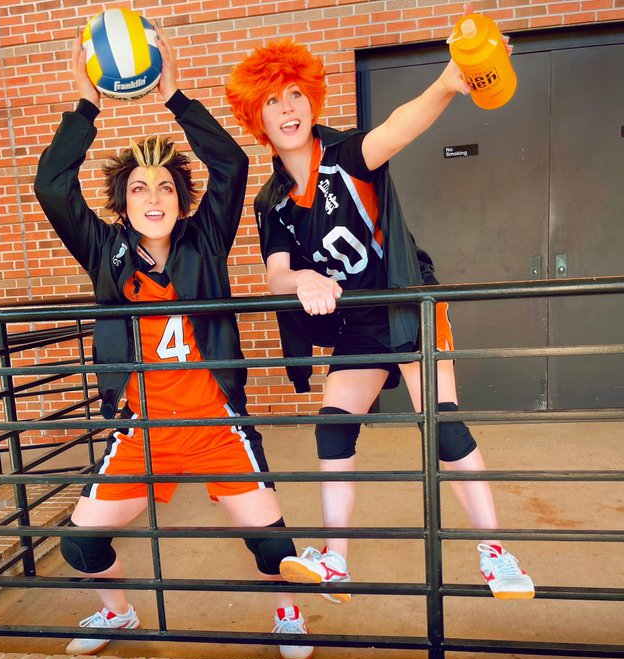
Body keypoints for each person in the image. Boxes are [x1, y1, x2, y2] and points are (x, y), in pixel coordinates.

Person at [225, 25, 535, 602]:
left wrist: (447, 83)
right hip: (361, 321)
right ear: (256, 116)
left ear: (311, 100)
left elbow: (397, 127)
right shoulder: (270, 201)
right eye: (272, 100)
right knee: (333, 426)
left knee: (443, 427)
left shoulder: (346, 156)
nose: (287, 108)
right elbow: (276, 273)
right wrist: (303, 279)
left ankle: (497, 554)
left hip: (407, 302)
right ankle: (336, 560)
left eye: (295, 94)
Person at [33, 29, 313, 659]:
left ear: (181, 199)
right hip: (142, 430)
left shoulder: (205, 239)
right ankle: (119, 610)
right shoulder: (104, 251)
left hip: (216, 425)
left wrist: (175, 97)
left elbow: (232, 165)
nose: (153, 197)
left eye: (164, 187)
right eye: (139, 188)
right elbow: (52, 186)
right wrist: (86, 105)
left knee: (273, 545)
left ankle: (289, 614)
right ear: (122, 201)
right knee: (80, 545)